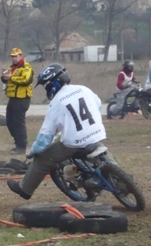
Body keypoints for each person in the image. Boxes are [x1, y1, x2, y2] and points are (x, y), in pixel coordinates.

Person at [6, 63, 107, 200]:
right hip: (97, 134)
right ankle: (121, 181)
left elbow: (45, 138)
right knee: (104, 155)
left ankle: (25, 189)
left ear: (52, 84)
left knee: (42, 158)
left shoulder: (56, 102)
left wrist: (33, 151)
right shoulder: (83, 89)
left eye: (45, 85)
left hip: (74, 142)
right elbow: (98, 105)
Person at [0, 47, 34, 155]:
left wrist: (11, 77)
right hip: (12, 98)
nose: (14, 58)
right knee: (10, 122)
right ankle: (18, 142)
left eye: (16, 56)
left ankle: (21, 146)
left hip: (22, 99)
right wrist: (4, 77)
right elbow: (6, 80)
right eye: (12, 56)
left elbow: (26, 80)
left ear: (21, 56)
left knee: (19, 123)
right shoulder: (11, 68)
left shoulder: (26, 67)